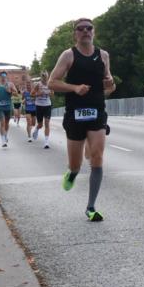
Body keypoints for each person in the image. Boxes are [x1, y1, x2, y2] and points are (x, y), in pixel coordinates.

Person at [48, 18, 115, 222]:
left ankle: (91, 206)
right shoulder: (68, 55)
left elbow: (109, 85)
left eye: (89, 28)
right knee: (75, 164)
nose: (85, 31)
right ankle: (73, 173)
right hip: (75, 113)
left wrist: (110, 83)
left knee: (97, 156)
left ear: (94, 32)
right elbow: (52, 82)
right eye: (81, 29)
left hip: (97, 111)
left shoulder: (103, 55)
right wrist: (74, 88)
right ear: (75, 34)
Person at [0, 72, 19, 147]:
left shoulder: (10, 84)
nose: (3, 77)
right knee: (2, 123)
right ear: (0, 77)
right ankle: (3, 141)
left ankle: (5, 135)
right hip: (0, 106)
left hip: (8, 106)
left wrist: (10, 91)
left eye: (4, 76)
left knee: (6, 123)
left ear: (6, 77)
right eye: (2, 76)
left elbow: (16, 93)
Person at [32, 72, 53, 149]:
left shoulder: (50, 84)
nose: (44, 78)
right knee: (40, 125)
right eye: (43, 77)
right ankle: (36, 129)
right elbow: (32, 94)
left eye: (46, 77)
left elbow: (52, 94)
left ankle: (46, 142)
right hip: (39, 106)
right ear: (41, 77)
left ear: (47, 77)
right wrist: (38, 94)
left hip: (47, 105)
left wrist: (50, 93)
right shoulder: (38, 85)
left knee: (47, 123)